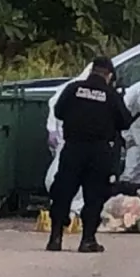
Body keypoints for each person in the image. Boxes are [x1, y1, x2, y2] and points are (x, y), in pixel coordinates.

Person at [47, 55, 133, 253]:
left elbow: (59, 112)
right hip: (98, 152)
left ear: (92, 70)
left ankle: (55, 238)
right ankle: (87, 240)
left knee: (63, 192)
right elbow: (125, 122)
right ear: (109, 75)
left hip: (73, 148)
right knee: (94, 196)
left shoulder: (73, 89)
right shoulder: (111, 95)